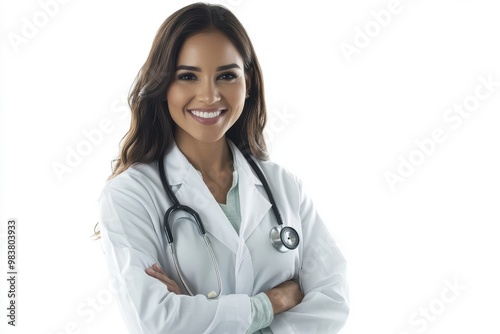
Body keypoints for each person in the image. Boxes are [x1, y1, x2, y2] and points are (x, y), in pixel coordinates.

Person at [97, 3, 349, 333]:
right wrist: (270, 303)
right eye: (188, 76)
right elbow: (157, 321)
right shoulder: (129, 196)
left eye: (227, 76)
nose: (209, 95)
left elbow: (333, 301)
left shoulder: (284, 186)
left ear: (249, 83)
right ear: (163, 86)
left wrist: (200, 312)